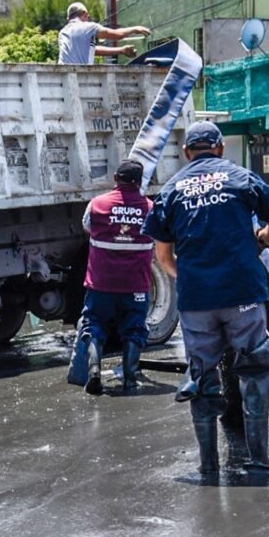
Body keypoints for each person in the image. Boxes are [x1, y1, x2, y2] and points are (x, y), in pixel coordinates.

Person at [142, 121, 269, 476]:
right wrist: (260, 240)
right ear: (221, 148)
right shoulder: (242, 178)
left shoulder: (171, 190)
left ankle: (208, 464)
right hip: (243, 292)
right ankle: (259, 458)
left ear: (186, 152)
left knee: (203, 374)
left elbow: (163, 260)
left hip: (197, 301)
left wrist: (195, 278)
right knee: (255, 369)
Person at [66, 159, 155, 395]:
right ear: (140, 181)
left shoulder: (96, 205)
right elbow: (158, 236)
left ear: (116, 178)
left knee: (94, 324)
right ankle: (130, 379)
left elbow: (87, 228)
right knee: (134, 328)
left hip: (101, 284)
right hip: (136, 285)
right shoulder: (150, 208)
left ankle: (94, 372)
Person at [58, 2, 151, 65]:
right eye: (88, 17)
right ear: (85, 14)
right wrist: (135, 29)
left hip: (62, 78)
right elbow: (116, 35)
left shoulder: (63, 33)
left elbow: (93, 50)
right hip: (81, 77)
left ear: (69, 18)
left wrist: (121, 50)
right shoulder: (88, 27)